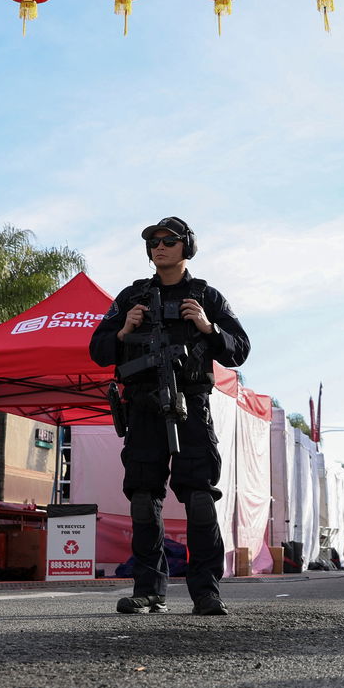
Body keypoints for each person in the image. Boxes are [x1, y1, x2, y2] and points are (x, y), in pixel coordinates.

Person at [89, 216, 251, 616]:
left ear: (186, 247)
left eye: (169, 240)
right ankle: (148, 591)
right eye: (153, 242)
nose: (159, 247)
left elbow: (240, 348)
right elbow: (98, 349)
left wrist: (208, 327)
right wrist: (124, 331)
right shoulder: (132, 296)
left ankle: (206, 592)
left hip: (190, 405)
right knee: (144, 499)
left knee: (198, 498)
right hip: (142, 406)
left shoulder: (206, 296)